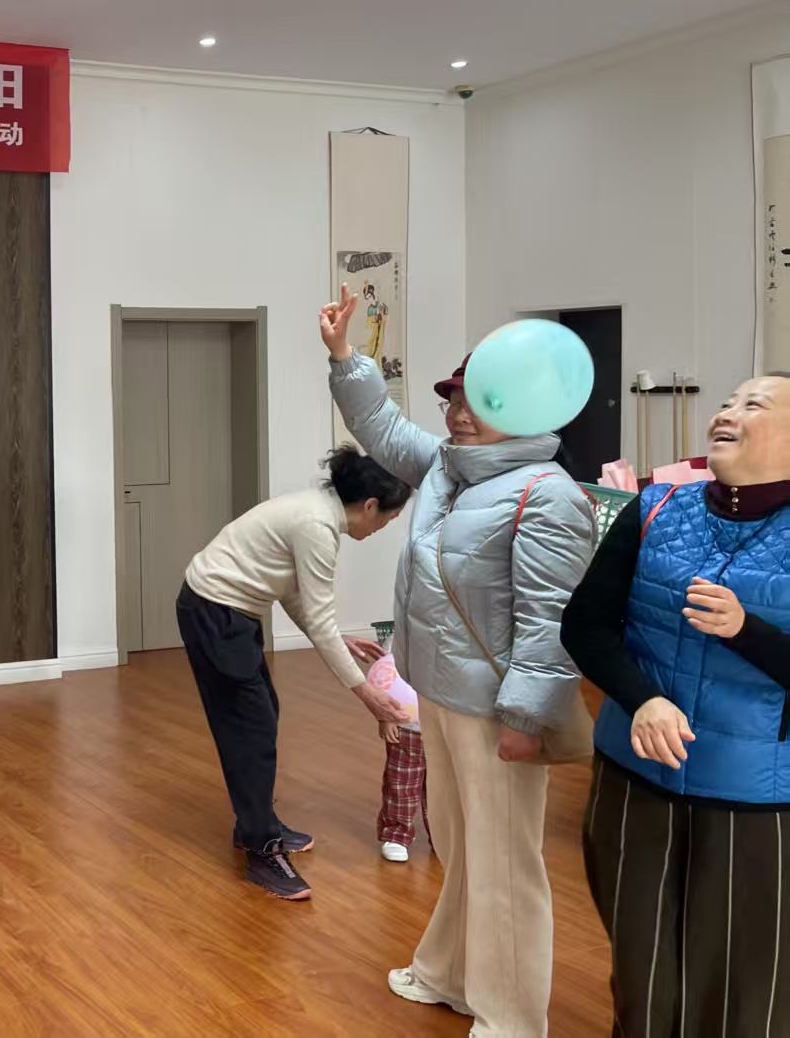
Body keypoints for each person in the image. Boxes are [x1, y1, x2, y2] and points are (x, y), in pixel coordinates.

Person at [322, 287, 597, 1038]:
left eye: (479, 398)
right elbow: (381, 428)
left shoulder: (547, 494)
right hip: (439, 694)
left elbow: (549, 625)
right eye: (453, 396)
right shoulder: (449, 468)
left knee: (504, 861)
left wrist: (525, 720)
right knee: (460, 845)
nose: (458, 411)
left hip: (498, 708)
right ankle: (448, 971)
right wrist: (346, 358)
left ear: (530, 406)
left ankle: (511, 1016)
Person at [562, 373, 790, 1037]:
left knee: (746, 988)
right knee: (642, 975)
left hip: (754, 802)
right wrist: (642, 700)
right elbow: (586, 626)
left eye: (753, 404)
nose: (727, 412)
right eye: (727, 402)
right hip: (634, 778)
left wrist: (745, 630)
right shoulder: (657, 506)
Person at [177, 446, 413, 899]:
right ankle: (262, 850)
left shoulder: (316, 512)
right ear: (370, 505)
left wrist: (337, 637)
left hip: (226, 610)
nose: (383, 528)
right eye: (389, 518)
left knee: (262, 715)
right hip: (216, 610)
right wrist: (368, 696)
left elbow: (290, 589)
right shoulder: (316, 526)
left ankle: (256, 823)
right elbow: (317, 617)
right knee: (250, 729)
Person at [370, 633, 431, 864]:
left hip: (445, 726)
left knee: (442, 788)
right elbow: (385, 676)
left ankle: (444, 837)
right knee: (401, 783)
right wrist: (384, 717)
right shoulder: (403, 636)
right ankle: (396, 835)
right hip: (406, 727)